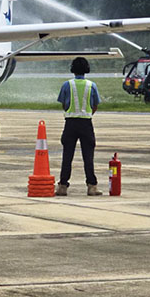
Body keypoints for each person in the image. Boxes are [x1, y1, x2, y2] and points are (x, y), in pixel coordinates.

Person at [55, 57, 102, 196]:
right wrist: (87, 113)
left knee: (67, 156)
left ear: (72, 69)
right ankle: (92, 186)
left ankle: (63, 186)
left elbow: (64, 104)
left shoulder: (67, 85)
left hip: (70, 123)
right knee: (88, 156)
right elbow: (95, 105)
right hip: (86, 123)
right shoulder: (91, 85)